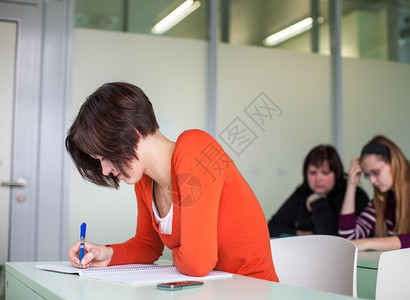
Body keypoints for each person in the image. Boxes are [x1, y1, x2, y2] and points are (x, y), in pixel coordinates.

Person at [65, 82, 278, 282]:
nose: (105, 169)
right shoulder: (143, 181)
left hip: (250, 288)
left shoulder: (196, 149)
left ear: (130, 132)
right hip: (209, 289)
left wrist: (177, 253)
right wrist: (106, 253)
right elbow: (148, 246)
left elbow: (198, 263)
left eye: (105, 157)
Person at [339, 135, 410, 251]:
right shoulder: (383, 199)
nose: (372, 180)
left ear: (394, 163)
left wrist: (367, 243)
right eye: (367, 175)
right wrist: (351, 185)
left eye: (375, 172)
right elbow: (349, 238)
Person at [268, 145, 369, 237]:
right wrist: (301, 234)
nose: (318, 178)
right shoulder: (303, 192)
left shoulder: (354, 195)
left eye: (325, 173)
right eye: (313, 172)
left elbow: (332, 236)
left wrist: (318, 201)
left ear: (336, 173)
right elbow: (271, 228)